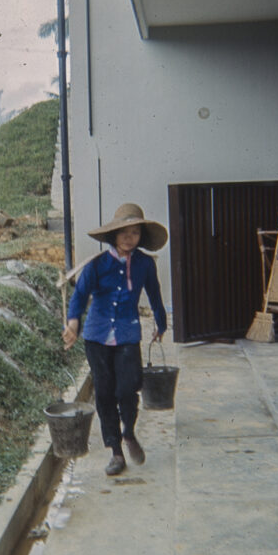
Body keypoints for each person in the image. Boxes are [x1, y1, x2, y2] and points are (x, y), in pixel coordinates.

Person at [62, 203, 168, 476]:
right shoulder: (97, 265)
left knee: (128, 388)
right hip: (97, 337)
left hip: (127, 334)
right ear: (113, 235)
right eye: (124, 232)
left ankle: (129, 432)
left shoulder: (145, 264)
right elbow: (79, 297)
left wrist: (161, 322)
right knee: (105, 394)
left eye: (134, 232)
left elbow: (154, 294)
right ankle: (116, 452)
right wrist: (73, 323)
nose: (129, 237)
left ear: (140, 237)